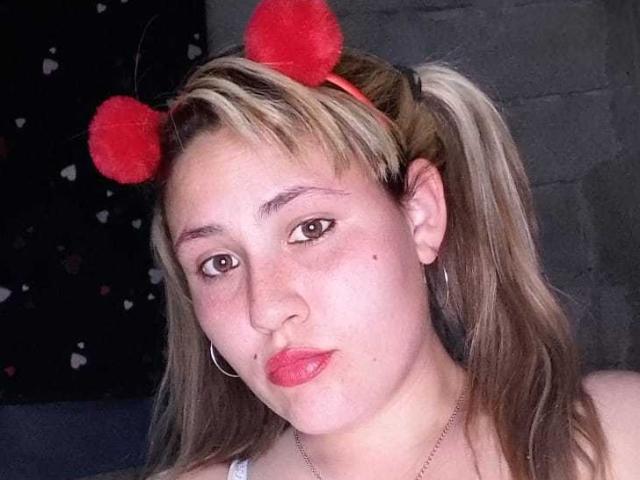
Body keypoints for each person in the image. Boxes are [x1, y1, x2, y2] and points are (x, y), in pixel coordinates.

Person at [87, 1, 640, 479]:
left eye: (310, 229)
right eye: (219, 262)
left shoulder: (616, 440)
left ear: (420, 215)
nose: (266, 308)